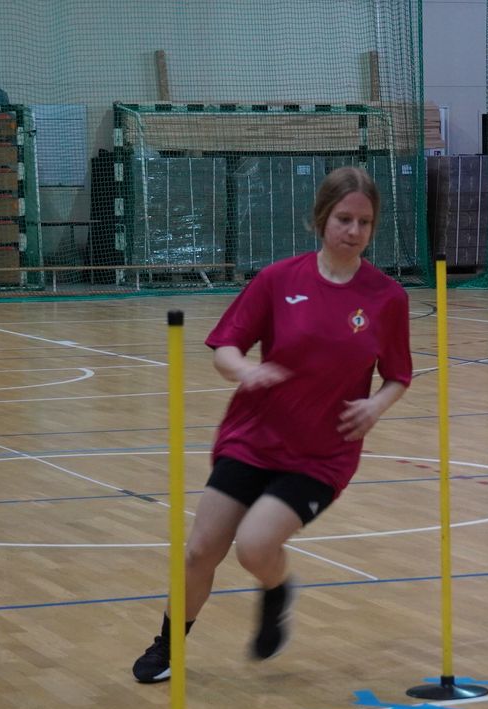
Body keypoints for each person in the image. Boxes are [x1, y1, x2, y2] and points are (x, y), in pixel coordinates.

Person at [131, 167, 412, 683]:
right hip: (254, 438)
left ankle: (276, 588)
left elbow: (398, 375)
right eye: (343, 219)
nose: (353, 231)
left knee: (256, 546)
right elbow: (225, 347)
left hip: (322, 453)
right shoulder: (278, 280)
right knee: (201, 550)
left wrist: (376, 406)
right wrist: (246, 371)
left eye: (364, 222)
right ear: (321, 218)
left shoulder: (386, 297)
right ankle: (167, 646)